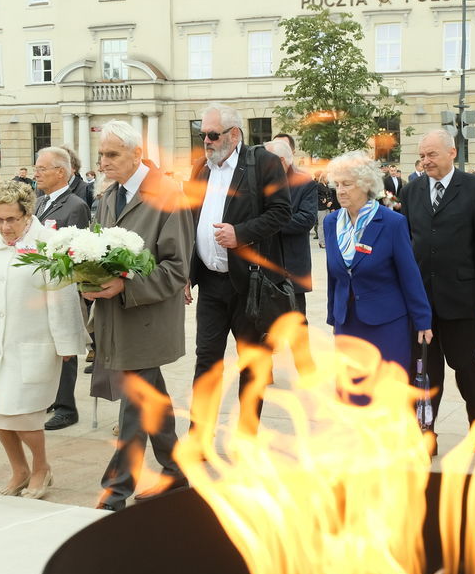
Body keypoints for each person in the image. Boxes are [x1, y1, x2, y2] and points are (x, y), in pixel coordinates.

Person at [86, 121, 195, 511]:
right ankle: (177, 471)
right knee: (153, 400)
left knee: (134, 402)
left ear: (137, 154)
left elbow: (176, 269)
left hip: (146, 319)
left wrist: (124, 287)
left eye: (112, 155)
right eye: (101, 154)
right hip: (115, 318)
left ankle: (116, 489)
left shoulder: (168, 196)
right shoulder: (107, 197)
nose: (103, 162)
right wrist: (88, 276)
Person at [0, 180, 86, 500]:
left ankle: (41, 467)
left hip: (33, 344)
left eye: (11, 219)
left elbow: (63, 296)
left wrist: (68, 345)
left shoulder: (50, 243)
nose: (4, 226)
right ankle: (19, 470)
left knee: (24, 416)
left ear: (27, 215)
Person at [185, 102, 291, 433]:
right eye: (202, 134)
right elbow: (191, 221)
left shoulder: (263, 163)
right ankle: (199, 438)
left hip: (250, 284)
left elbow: (281, 212)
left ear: (234, 134)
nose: (206, 141)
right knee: (207, 363)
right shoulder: (201, 169)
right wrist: (187, 274)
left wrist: (240, 234)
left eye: (212, 135)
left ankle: (247, 436)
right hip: (212, 285)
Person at [398, 129, 475, 428]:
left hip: (461, 297)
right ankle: (425, 430)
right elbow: (406, 244)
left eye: (431, 154)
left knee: (466, 365)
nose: (425, 161)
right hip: (421, 301)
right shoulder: (411, 191)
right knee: (424, 370)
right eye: (422, 156)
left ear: (451, 152)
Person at [323, 152, 432, 388]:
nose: (340, 191)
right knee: (353, 392)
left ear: (365, 185)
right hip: (347, 322)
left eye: (347, 185)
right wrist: (334, 316)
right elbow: (334, 275)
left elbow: (410, 276)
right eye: (337, 184)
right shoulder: (331, 223)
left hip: (386, 323)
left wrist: (423, 321)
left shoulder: (392, 222)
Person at [32, 145, 92, 431]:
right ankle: (49, 397)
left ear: (60, 172)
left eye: (42, 168)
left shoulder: (75, 205)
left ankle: (66, 406)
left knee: (65, 345)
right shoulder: (39, 202)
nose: (36, 173)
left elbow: (76, 250)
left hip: (63, 287)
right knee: (45, 345)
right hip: (38, 285)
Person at [265, 138, 318, 373]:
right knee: (262, 321)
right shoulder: (262, 182)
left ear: (283, 162)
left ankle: (305, 370)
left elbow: (306, 220)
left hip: (293, 264)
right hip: (265, 263)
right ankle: (262, 372)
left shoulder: (305, 183)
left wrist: (268, 223)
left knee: (297, 320)